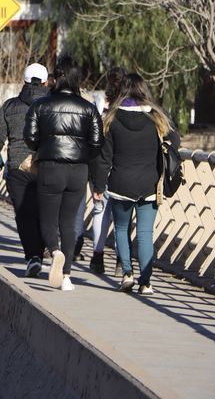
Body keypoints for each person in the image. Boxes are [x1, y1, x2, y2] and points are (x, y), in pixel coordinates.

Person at [92, 73, 179, 295]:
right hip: (149, 184)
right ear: (144, 90)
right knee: (144, 233)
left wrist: (99, 187)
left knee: (121, 229)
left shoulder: (111, 118)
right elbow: (175, 142)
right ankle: (146, 282)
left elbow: (104, 158)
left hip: (120, 184)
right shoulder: (157, 117)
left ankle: (127, 275)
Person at [24, 56, 103, 291]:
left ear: (55, 79)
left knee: (48, 219)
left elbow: (30, 138)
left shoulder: (40, 106)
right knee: (69, 222)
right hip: (78, 170)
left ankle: (55, 251)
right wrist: (81, 154)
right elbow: (98, 142)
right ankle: (67, 276)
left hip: (50, 166)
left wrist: (46, 146)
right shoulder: (88, 108)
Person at [0, 63, 49, 277]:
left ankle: (33, 256)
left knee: (24, 213)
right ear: (46, 82)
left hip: (17, 166)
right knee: (44, 211)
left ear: (23, 81)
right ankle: (42, 250)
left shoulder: (10, 106)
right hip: (47, 165)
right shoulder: (52, 105)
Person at [79, 66, 126, 274]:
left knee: (100, 211)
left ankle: (97, 257)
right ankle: (120, 260)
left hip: (99, 165)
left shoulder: (99, 104)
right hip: (124, 167)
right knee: (122, 218)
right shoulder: (131, 107)